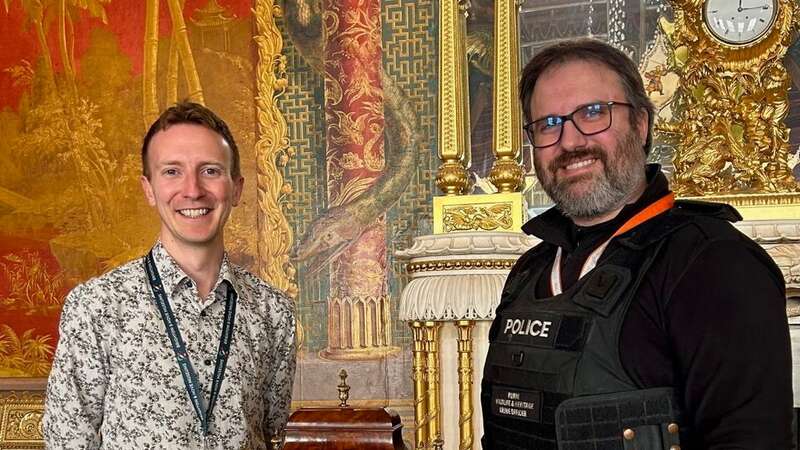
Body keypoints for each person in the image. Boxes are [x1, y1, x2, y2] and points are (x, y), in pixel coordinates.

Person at [481, 39, 792, 449]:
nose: (570, 142)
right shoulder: (531, 269)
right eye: (548, 124)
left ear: (642, 124)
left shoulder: (713, 262)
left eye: (594, 113)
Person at [44, 101, 297, 449]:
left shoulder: (274, 312)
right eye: (172, 171)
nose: (192, 190)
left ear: (236, 188)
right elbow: (67, 442)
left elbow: (272, 436)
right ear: (149, 189)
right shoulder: (96, 306)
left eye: (210, 170)